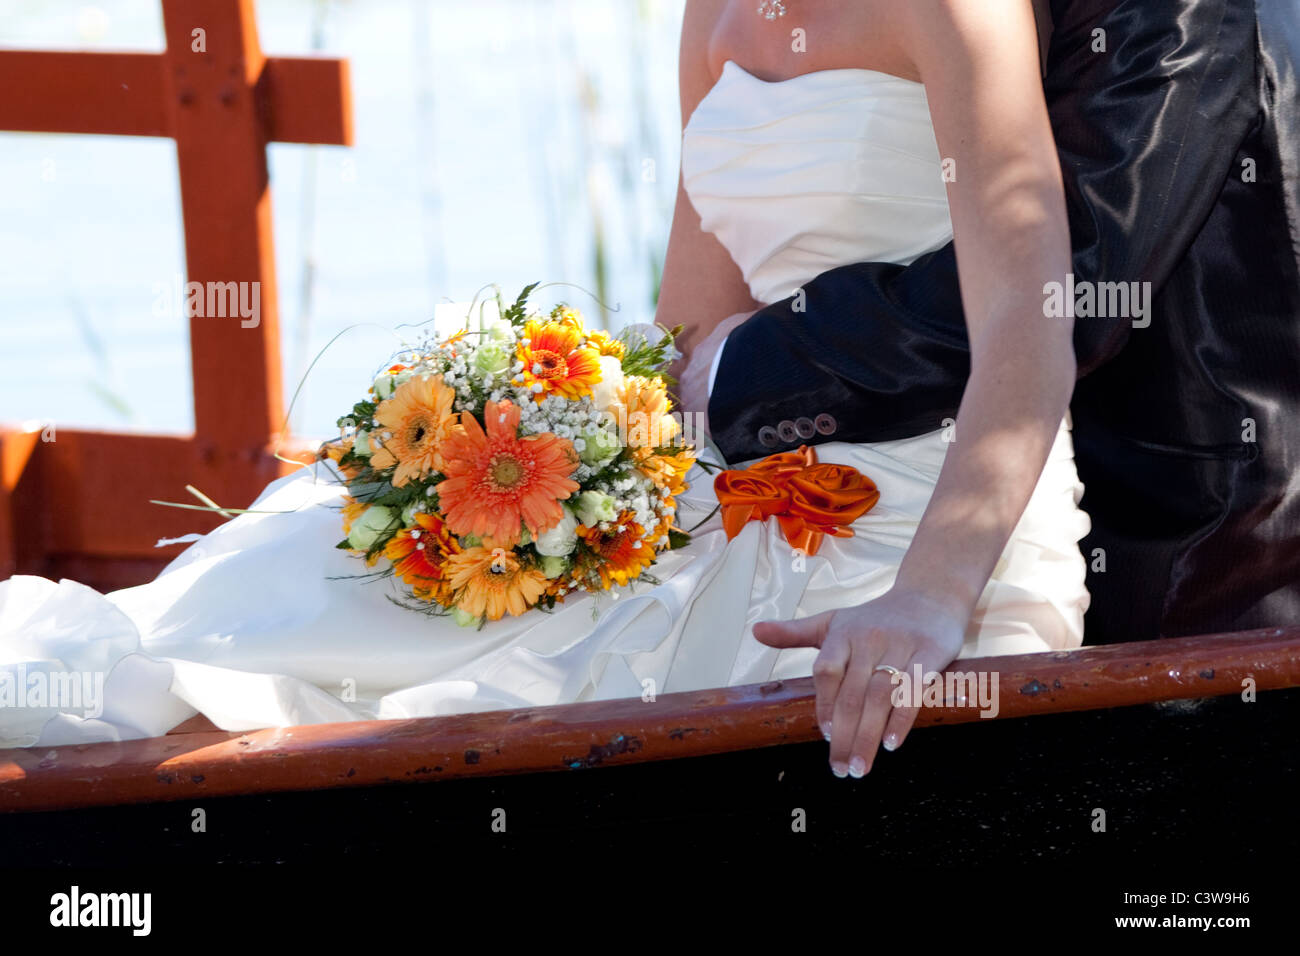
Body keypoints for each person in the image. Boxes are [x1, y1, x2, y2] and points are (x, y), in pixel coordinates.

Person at [0, 0, 1088, 781]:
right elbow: (686, 332)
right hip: (735, 471)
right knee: (325, 567)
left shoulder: (960, 10)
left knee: (462, 676)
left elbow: (1029, 334)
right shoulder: (712, 16)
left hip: (917, 509)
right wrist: (532, 438)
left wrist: (930, 598)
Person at [685, 0, 1300, 658]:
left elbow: (1078, 283)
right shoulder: (711, 17)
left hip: (1192, 551)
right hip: (751, 505)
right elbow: (686, 324)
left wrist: (742, 373)